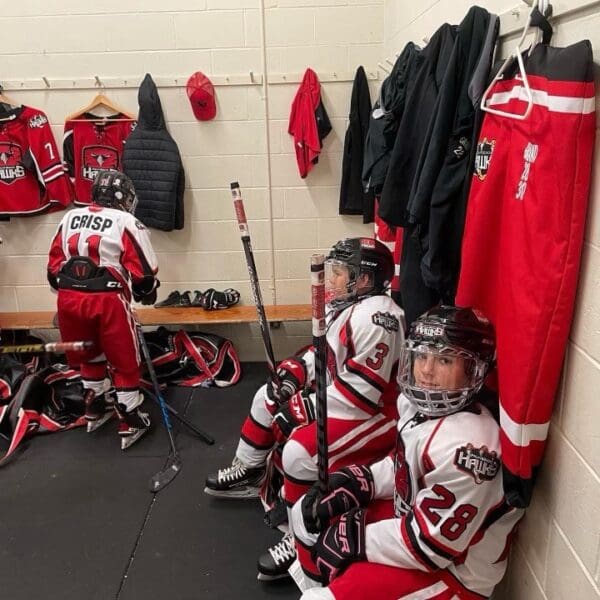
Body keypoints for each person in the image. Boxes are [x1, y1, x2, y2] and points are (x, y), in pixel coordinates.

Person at [204, 237, 404, 580]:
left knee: (299, 453)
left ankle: (297, 540)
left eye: (340, 272)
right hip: (344, 397)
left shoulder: (379, 318)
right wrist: (296, 371)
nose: (332, 279)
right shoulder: (344, 305)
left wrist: (303, 407)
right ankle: (251, 472)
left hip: (376, 413)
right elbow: (322, 354)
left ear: (366, 279)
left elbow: (362, 393)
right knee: (265, 398)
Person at [291, 305, 525, 598]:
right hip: (416, 524)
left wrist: (355, 539)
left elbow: (430, 548)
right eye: (421, 355)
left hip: (455, 574)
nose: (426, 370)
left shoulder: (471, 451)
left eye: (444, 360)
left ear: (473, 369)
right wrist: (360, 481)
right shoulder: (416, 406)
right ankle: (331, 583)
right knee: (307, 513)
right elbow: (405, 468)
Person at [47, 170, 160, 450]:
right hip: (107, 298)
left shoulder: (70, 216)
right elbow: (145, 273)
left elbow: (53, 269)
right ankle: (130, 416)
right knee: (124, 358)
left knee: (88, 351)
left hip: (68, 298)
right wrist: (145, 292)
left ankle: (95, 405)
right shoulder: (126, 221)